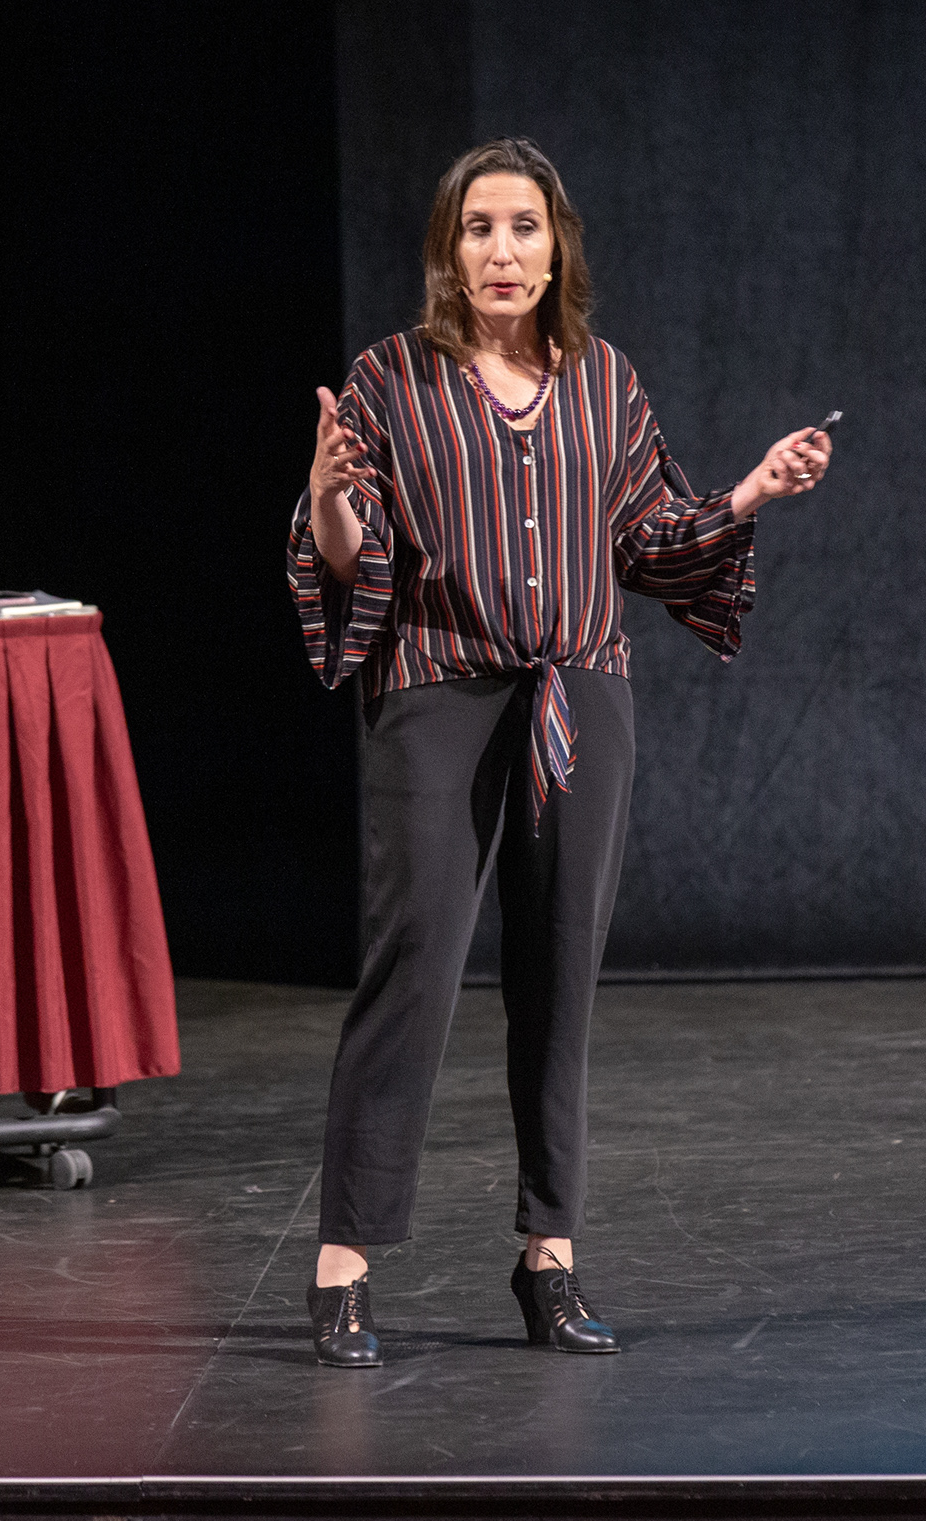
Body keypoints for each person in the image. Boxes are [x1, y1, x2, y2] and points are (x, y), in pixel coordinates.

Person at [287, 138, 832, 1368]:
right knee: (416, 961)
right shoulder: (390, 379)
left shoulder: (603, 380)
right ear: (449, 248)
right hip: (438, 687)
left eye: (524, 227)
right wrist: (323, 495)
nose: (502, 251)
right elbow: (350, 556)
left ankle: (550, 1258)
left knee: (561, 972)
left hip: (580, 694)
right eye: (478, 227)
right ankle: (346, 1263)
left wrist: (751, 491)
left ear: (556, 247)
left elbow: (650, 538)